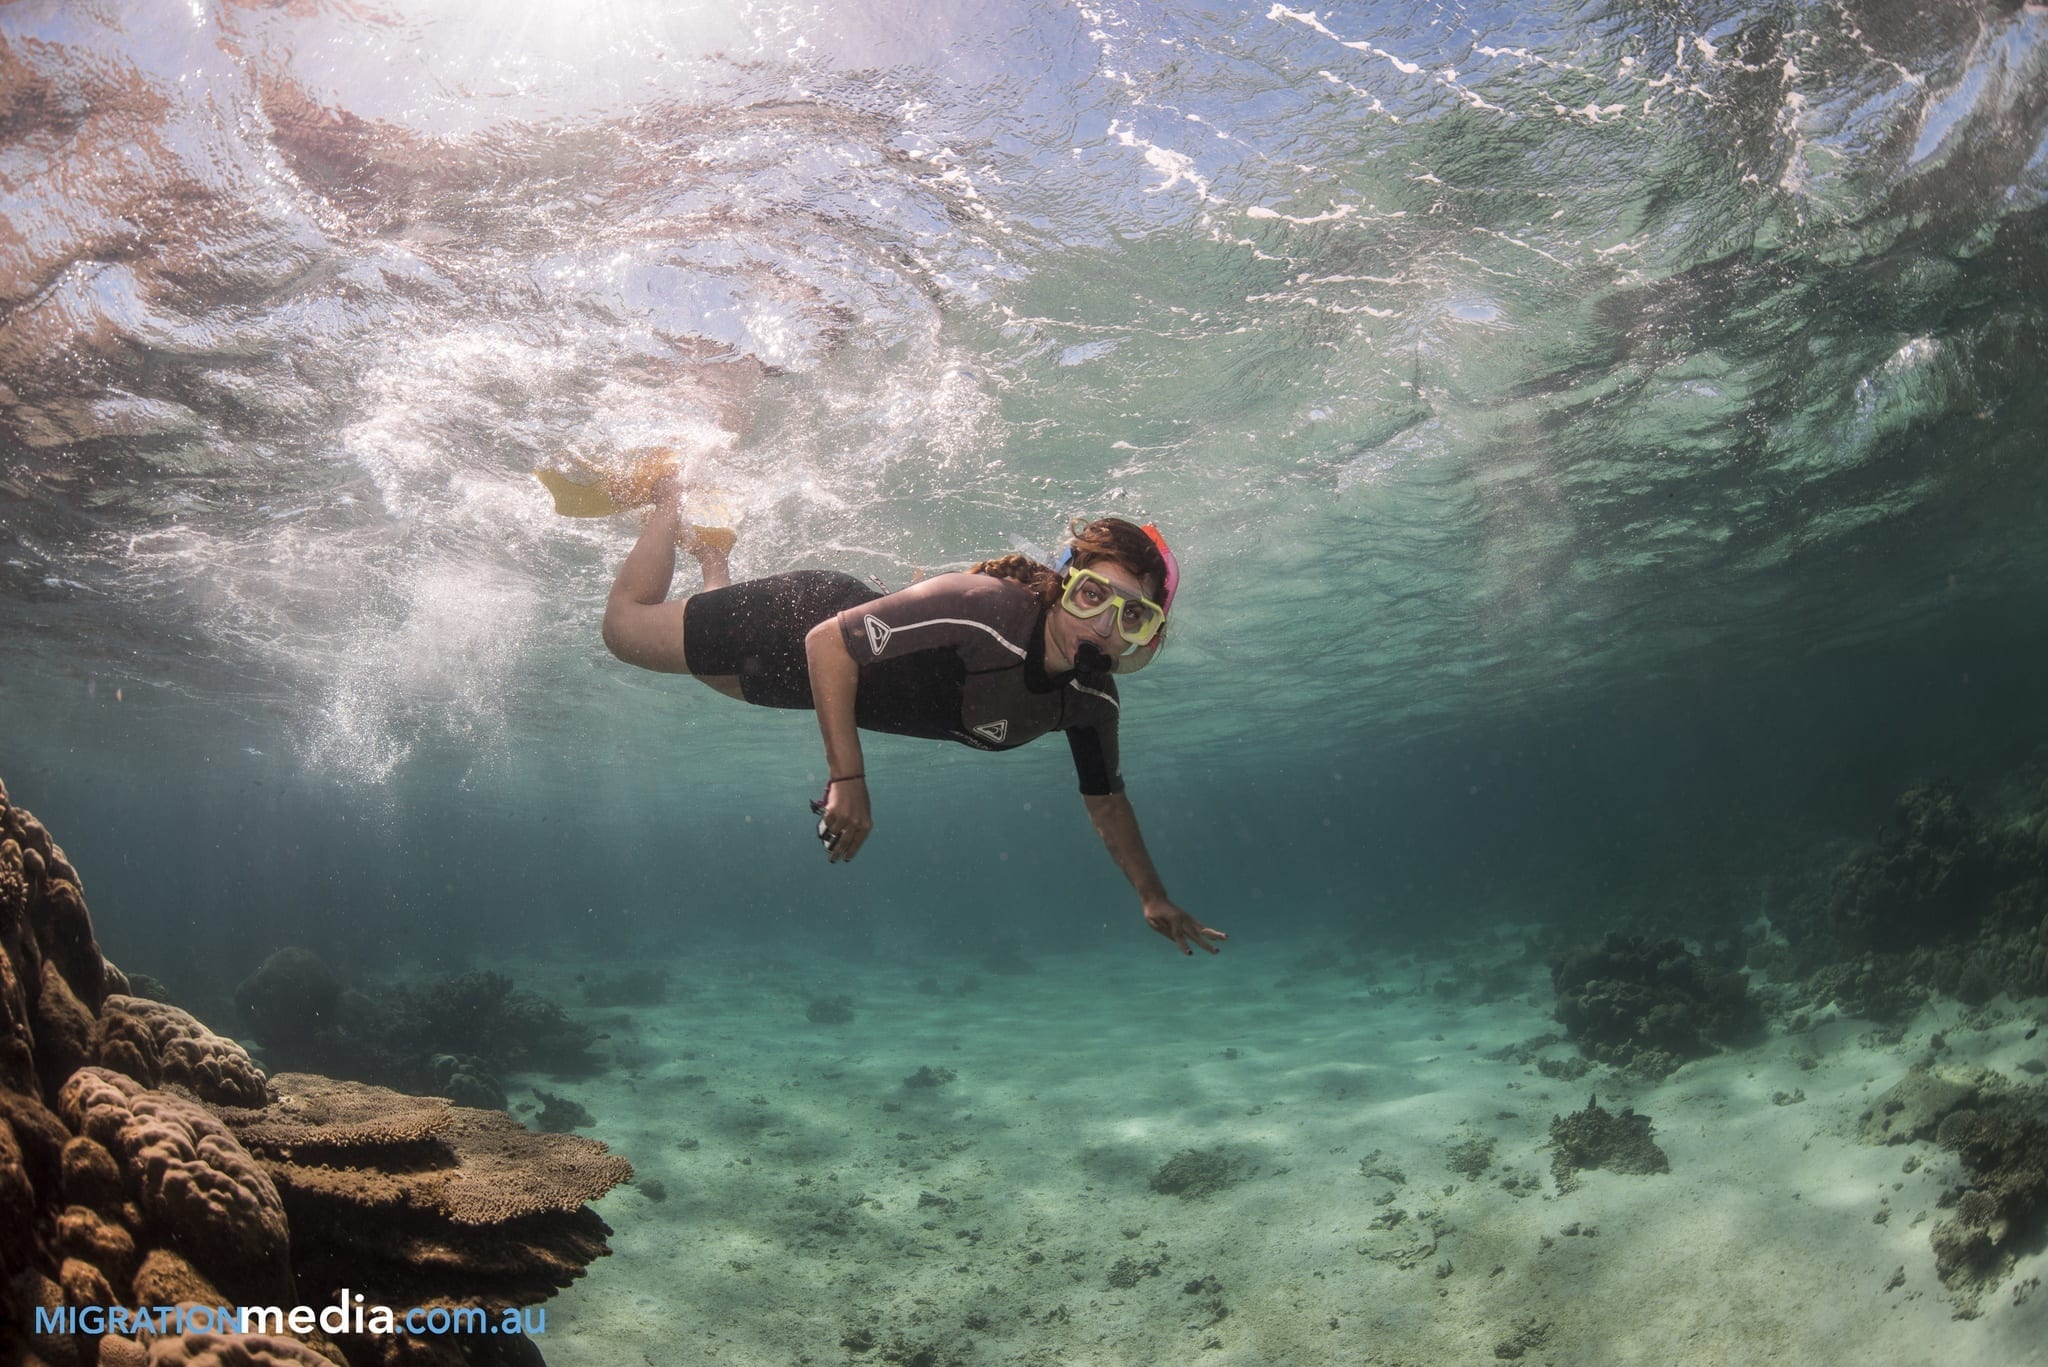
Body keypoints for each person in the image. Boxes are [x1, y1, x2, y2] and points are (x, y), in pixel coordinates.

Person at [600, 475, 1226, 955]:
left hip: (818, 687)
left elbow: (1106, 800)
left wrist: (1152, 896)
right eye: (1093, 596)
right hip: (804, 623)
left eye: (1133, 615)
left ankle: (713, 551)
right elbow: (827, 642)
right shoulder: (987, 609)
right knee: (624, 631)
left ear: (1146, 637)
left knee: (710, 674)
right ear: (1063, 586)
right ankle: (669, 494)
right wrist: (848, 780)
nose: (1103, 626)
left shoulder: (1090, 705)